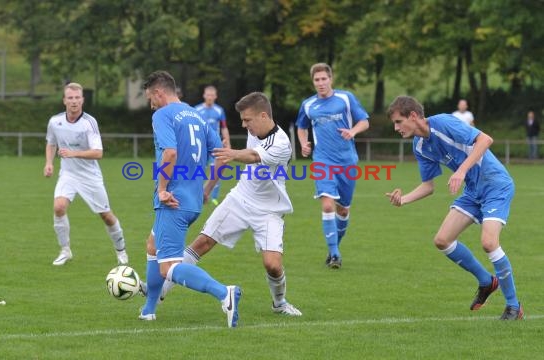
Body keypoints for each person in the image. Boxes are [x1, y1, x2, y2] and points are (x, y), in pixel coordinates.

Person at [158, 92, 302, 316]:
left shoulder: (281, 143)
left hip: (269, 210)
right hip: (240, 198)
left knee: (273, 265)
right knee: (201, 243)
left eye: (247, 120)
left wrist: (232, 154)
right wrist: (206, 190)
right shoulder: (255, 130)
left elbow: (253, 155)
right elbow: (244, 153)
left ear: (263, 116)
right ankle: (158, 292)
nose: (244, 125)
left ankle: (280, 304)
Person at [385, 95, 523, 320]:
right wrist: (404, 200)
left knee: (489, 243)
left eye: (399, 122)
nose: (396, 127)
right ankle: (487, 282)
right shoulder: (419, 145)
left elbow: (485, 140)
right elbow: (428, 186)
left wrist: (461, 171)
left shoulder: (442, 122)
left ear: (413, 116)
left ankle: (513, 306)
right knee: (442, 240)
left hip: (495, 183)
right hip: (472, 191)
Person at [139, 70, 241, 328]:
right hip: (193, 199)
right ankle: (149, 308)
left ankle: (223, 293)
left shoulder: (162, 115)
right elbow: (221, 156)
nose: (151, 104)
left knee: (168, 267)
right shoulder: (197, 116)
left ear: (159, 92)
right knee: (153, 245)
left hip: (172, 200)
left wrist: (162, 189)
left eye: (151, 98)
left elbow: (170, 153)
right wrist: (207, 190)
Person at [44, 82, 128, 266]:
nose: (74, 101)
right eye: (70, 98)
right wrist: (49, 163)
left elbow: (98, 153)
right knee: (58, 207)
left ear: (82, 100)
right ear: (64, 100)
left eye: (77, 98)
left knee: (106, 215)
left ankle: (121, 250)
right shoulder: (55, 122)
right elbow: (51, 143)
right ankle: (65, 250)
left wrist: (73, 153)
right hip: (68, 174)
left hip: (90, 176)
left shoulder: (89, 123)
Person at [296, 62, 369, 268]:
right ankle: (335, 254)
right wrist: (303, 144)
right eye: (316, 80)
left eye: (323, 79)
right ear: (313, 82)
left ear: (331, 79)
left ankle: (333, 248)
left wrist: (352, 132)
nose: (320, 83)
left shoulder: (346, 98)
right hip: (322, 160)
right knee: (327, 204)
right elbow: (301, 127)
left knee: (343, 210)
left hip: (347, 161)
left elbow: (364, 121)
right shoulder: (308, 105)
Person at [194, 85, 231, 205]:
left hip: (215, 145)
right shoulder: (197, 110)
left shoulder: (219, 110)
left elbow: (224, 128)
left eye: (212, 95)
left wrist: (227, 143)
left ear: (215, 96)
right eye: (207, 95)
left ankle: (213, 197)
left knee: (216, 170)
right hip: (201, 145)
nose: (209, 97)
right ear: (204, 95)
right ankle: (197, 194)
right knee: (198, 170)